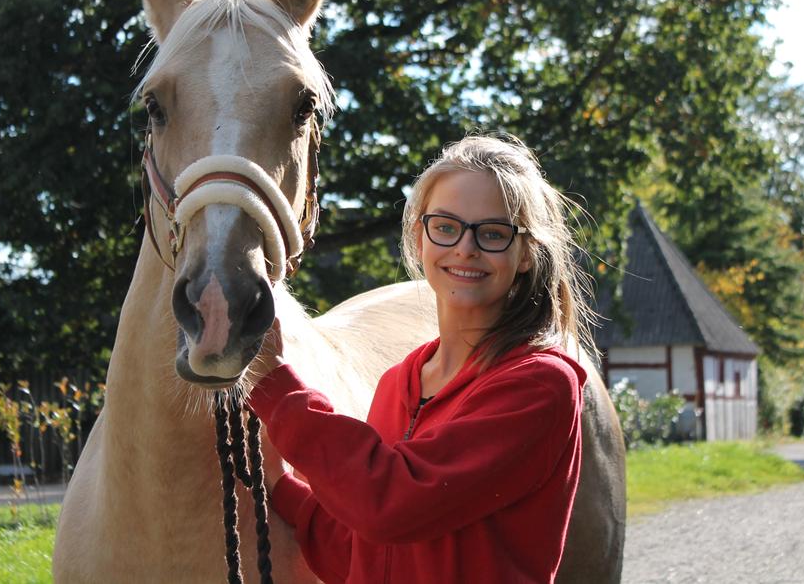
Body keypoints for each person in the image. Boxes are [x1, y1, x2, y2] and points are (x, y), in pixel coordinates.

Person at [247, 134, 595, 583]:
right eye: (446, 227)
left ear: (526, 253)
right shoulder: (398, 382)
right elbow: (364, 555)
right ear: (420, 235)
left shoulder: (540, 385)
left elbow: (391, 504)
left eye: (493, 233)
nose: (465, 248)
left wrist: (280, 393)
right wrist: (279, 486)